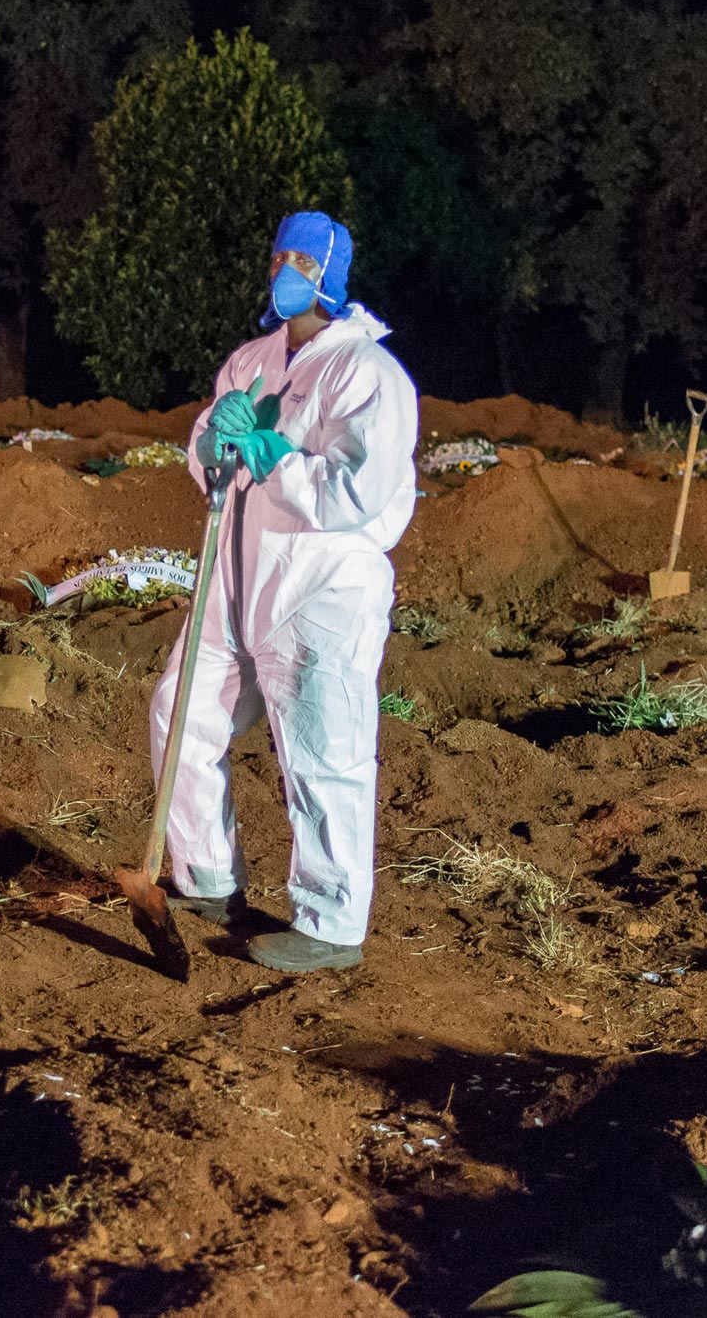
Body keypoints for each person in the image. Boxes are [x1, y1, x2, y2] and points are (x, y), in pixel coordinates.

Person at [147, 209, 418, 973]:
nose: (281, 271)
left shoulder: (368, 373)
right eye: (276, 257)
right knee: (181, 711)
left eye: (300, 259)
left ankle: (330, 923)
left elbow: (357, 492)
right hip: (236, 571)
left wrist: (276, 458)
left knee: (324, 750)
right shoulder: (252, 359)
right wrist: (211, 443)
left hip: (321, 585)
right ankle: (205, 875)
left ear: (329, 275)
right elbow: (208, 450)